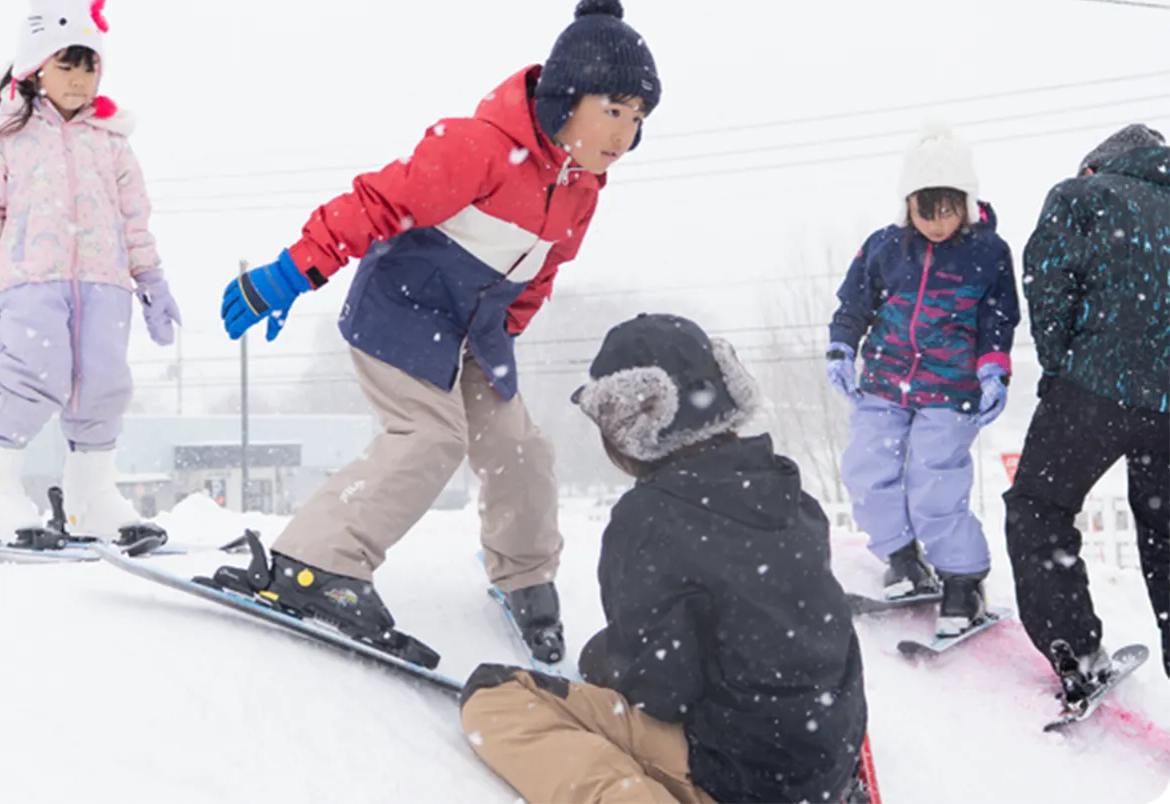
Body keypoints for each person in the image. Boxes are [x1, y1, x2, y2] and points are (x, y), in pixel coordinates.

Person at [216, 0, 660, 663]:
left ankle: (524, 574)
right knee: (431, 434)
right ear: (567, 99)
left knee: (522, 448)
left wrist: (502, 334)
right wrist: (293, 271)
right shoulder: (478, 147)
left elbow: (540, 275)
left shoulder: (580, 191)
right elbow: (378, 203)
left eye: (639, 117)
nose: (625, 135)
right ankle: (314, 562)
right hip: (400, 309)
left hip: (474, 332)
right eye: (613, 111)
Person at [460, 314, 870, 804]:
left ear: (632, 421)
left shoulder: (648, 518)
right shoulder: (787, 489)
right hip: (824, 757)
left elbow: (661, 693)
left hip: (738, 776)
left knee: (495, 698)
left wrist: (621, 666)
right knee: (599, 654)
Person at [0, 0, 178, 549]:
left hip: (104, 284)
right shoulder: (4, 137)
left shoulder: (110, 142)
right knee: (32, 374)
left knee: (104, 384)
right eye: (68, 64)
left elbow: (135, 216)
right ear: (37, 68)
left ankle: (91, 497)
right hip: (28, 282)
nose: (82, 79)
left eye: (91, 66)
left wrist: (151, 278)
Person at [826, 122, 1019, 636]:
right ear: (906, 203)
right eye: (925, 210)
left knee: (935, 483)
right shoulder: (885, 248)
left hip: (952, 389)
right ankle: (903, 559)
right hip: (886, 381)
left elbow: (997, 321)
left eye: (949, 210)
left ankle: (962, 579)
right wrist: (842, 349)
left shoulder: (989, 253)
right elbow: (854, 304)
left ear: (967, 202)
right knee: (866, 471)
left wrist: (994, 371)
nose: (938, 223)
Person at [1004, 123, 1170, 697]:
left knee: (1039, 508)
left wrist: (1062, 367)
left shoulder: (1081, 195)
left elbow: (1049, 286)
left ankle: (1076, 654)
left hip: (1094, 388)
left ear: (1097, 164)